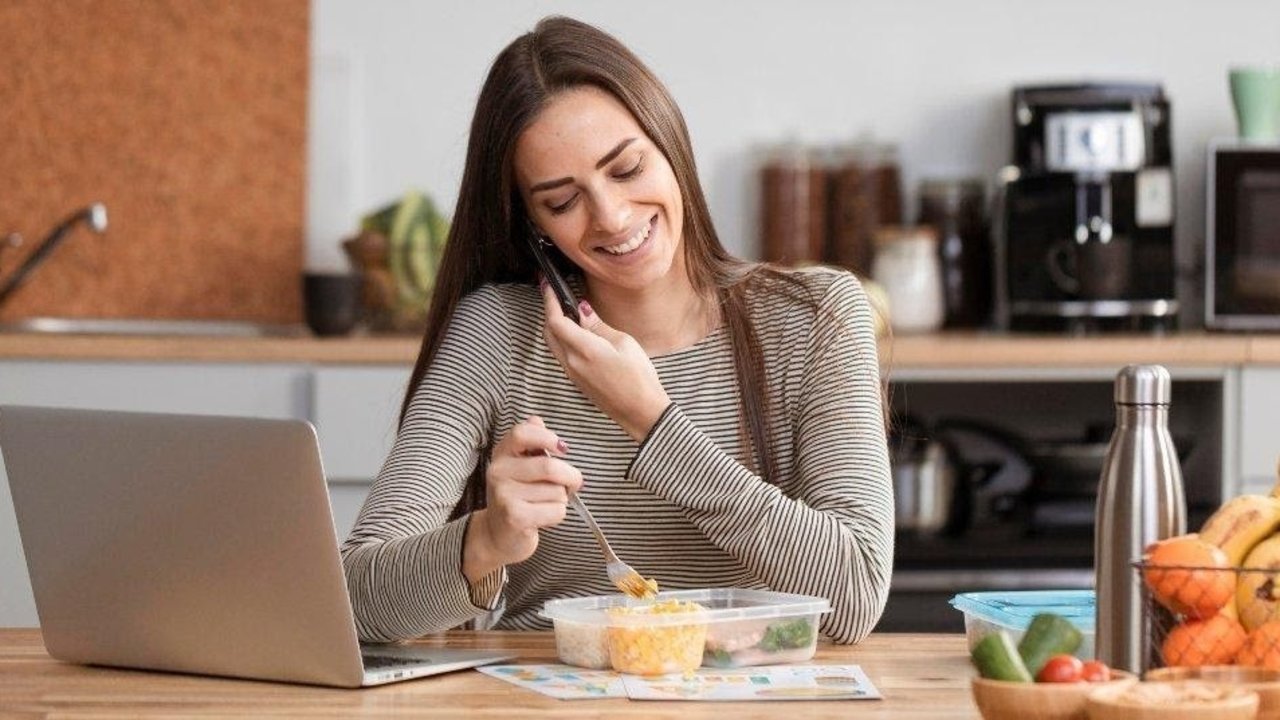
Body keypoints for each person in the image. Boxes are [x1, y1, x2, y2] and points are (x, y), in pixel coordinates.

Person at [340, 15, 893, 646]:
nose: (611, 216)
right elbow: (355, 602)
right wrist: (486, 539)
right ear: (534, 227)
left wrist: (651, 420)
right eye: (562, 201)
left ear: (671, 145)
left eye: (627, 169)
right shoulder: (497, 332)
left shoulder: (817, 319)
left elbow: (854, 597)